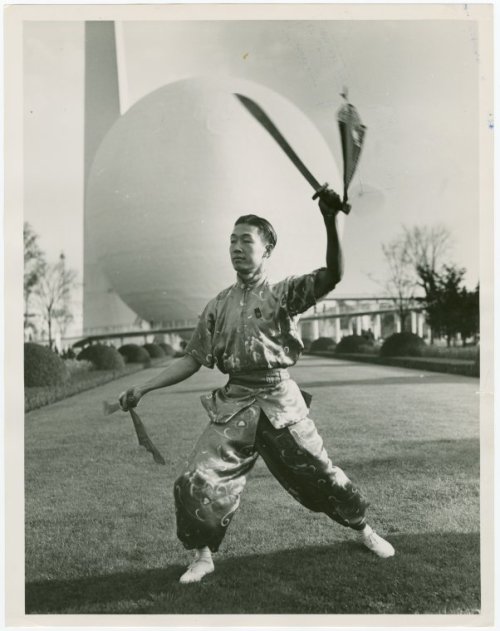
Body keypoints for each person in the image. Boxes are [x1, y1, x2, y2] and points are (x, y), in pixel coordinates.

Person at [119, 188, 395, 584]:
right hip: (234, 405)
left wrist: (329, 221)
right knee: (195, 479)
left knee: (321, 474)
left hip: (281, 402)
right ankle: (202, 556)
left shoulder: (283, 294)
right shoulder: (217, 305)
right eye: (231, 240)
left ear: (266, 249)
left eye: (245, 240)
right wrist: (145, 387)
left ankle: (364, 530)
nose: (236, 247)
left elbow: (332, 275)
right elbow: (193, 358)